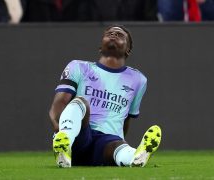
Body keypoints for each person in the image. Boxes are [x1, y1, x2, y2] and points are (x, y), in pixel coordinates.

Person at [49, 25, 162, 168]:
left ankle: (136, 157)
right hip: (78, 136)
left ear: (128, 50)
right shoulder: (78, 67)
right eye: (110, 33)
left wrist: (119, 139)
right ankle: (63, 146)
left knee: (118, 145)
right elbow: (59, 104)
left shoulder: (138, 79)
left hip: (105, 144)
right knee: (81, 102)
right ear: (100, 46)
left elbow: (126, 119)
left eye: (120, 35)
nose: (114, 35)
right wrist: (59, 129)